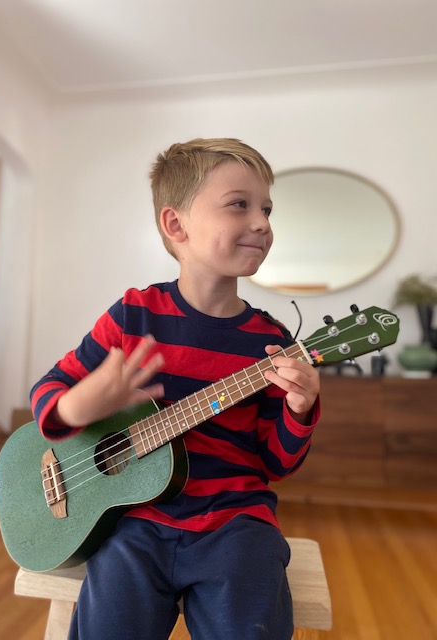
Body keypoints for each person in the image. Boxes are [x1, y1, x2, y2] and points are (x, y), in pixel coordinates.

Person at [30, 138, 321, 640]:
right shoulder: (134, 314)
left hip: (235, 521)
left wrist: (300, 406)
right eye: (239, 205)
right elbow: (50, 389)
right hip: (133, 520)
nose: (262, 223)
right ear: (176, 224)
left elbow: (278, 463)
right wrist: (80, 403)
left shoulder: (273, 343)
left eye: (267, 209)